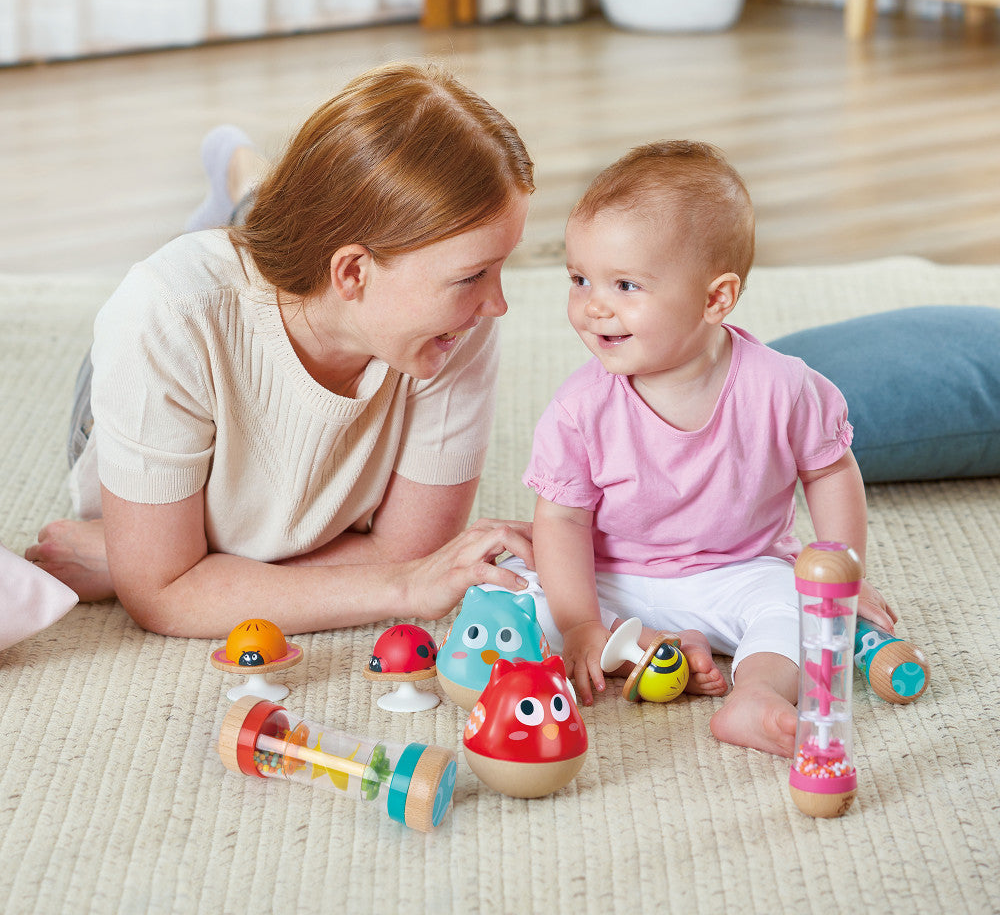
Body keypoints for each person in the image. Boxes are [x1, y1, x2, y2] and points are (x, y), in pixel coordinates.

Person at [27, 62, 536, 639]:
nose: (497, 303)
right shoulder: (166, 317)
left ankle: (248, 186)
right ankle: (246, 185)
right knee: (234, 261)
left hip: (320, 282)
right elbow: (165, 599)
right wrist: (403, 584)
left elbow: (413, 548)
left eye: (500, 267)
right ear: (354, 271)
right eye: (473, 275)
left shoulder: (451, 327)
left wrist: (176, 570)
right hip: (170, 350)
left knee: (288, 235)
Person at [497, 140, 896, 757]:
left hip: (735, 571)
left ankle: (755, 695)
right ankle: (648, 645)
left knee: (804, 617)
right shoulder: (580, 407)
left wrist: (840, 573)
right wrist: (579, 622)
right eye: (579, 278)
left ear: (716, 299)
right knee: (509, 602)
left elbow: (831, 471)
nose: (593, 305)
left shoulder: (783, 387)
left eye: (626, 284)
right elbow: (563, 518)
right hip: (612, 578)